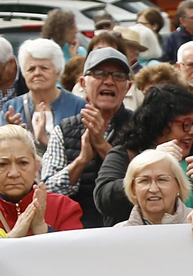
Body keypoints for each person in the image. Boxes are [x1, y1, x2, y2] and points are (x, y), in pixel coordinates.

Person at [92, 83, 193, 227]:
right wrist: (150, 161)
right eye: (185, 124)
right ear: (159, 125)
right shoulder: (126, 154)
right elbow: (103, 199)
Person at [42, 48, 136, 228]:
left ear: (128, 87)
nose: (109, 81)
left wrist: (102, 145)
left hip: (128, 230)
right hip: (77, 233)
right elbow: (47, 192)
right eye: (99, 74)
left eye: (118, 75)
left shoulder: (140, 127)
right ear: (83, 83)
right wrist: (81, 160)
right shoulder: (64, 129)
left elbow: (147, 182)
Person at [0, 125, 84, 234]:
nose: (14, 173)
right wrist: (11, 238)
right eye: (2, 164)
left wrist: (42, 228)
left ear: (36, 166)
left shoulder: (63, 207)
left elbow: (74, 254)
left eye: (22, 163)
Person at [1, 40, 86, 146]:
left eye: (44, 68)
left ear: (58, 71)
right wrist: (10, 134)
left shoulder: (78, 107)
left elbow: (81, 151)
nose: (37, 73)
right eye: (31, 69)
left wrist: (45, 140)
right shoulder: (12, 108)